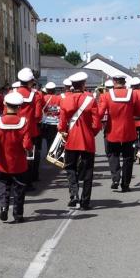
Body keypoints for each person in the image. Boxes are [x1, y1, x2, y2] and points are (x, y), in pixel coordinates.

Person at [0, 92, 33, 223]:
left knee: (4, 186)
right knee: (19, 189)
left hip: (3, 161)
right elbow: (27, 144)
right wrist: (28, 150)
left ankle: (3, 208)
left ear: (5, 105)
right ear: (19, 107)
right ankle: (18, 215)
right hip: (19, 162)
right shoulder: (24, 122)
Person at [58, 72, 101, 209]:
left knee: (70, 167)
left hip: (71, 139)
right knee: (88, 170)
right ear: (83, 84)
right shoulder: (90, 99)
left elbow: (61, 124)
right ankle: (85, 201)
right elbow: (97, 124)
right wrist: (90, 133)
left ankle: (74, 195)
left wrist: (63, 132)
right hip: (87, 139)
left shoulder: (65, 100)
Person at [98, 72, 140, 192]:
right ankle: (125, 184)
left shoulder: (106, 96)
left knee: (113, 155)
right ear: (124, 82)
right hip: (129, 131)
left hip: (112, 131)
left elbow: (100, 113)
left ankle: (115, 178)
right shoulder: (132, 94)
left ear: (114, 82)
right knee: (128, 158)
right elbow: (139, 113)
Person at [16, 68, 43, 184]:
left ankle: (18, 178)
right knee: (31, 156)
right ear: (30, 81)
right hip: (31, 130)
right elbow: (38, 116)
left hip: (15, 129)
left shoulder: (12, 94)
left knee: (17, 154)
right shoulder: (36, 95)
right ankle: (31, 178)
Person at [41, 82, 61, 151]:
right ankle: (53, 152)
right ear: (54, 90)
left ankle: (48, 151)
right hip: (56, 122)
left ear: (47, 90)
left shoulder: (43, 98)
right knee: (55, 139)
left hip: (46, 122)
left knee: (48, 140)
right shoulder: (59, 98)